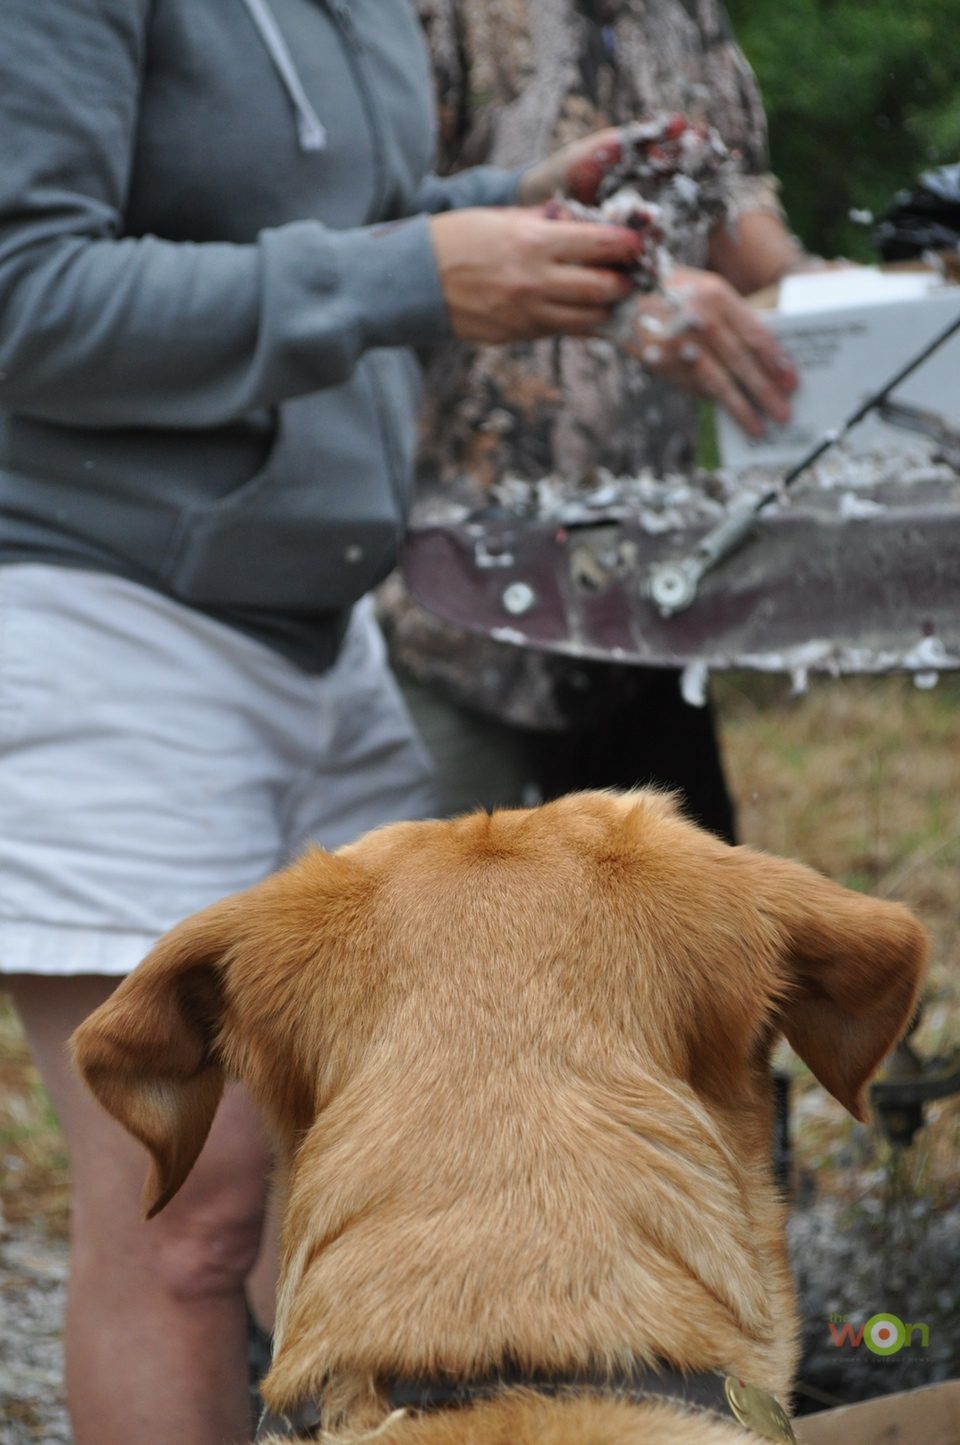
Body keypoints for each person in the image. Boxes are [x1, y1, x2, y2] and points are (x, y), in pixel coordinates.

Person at [0, 3, 719, 1443]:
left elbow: (329, 226)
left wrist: (496, 217)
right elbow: (28, 298)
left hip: (320, 630)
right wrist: (406, 271)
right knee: (186, 1224)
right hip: (94, 619)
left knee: (369, 1167)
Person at [383, 0, 817, 842]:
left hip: (645, 576)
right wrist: (629, 291)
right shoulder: (426, 15)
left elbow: (730, 197)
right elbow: (372, 229)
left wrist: (843, 296)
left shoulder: (681, 12)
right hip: (450, 592)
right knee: (471, 939)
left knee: (681, 943)